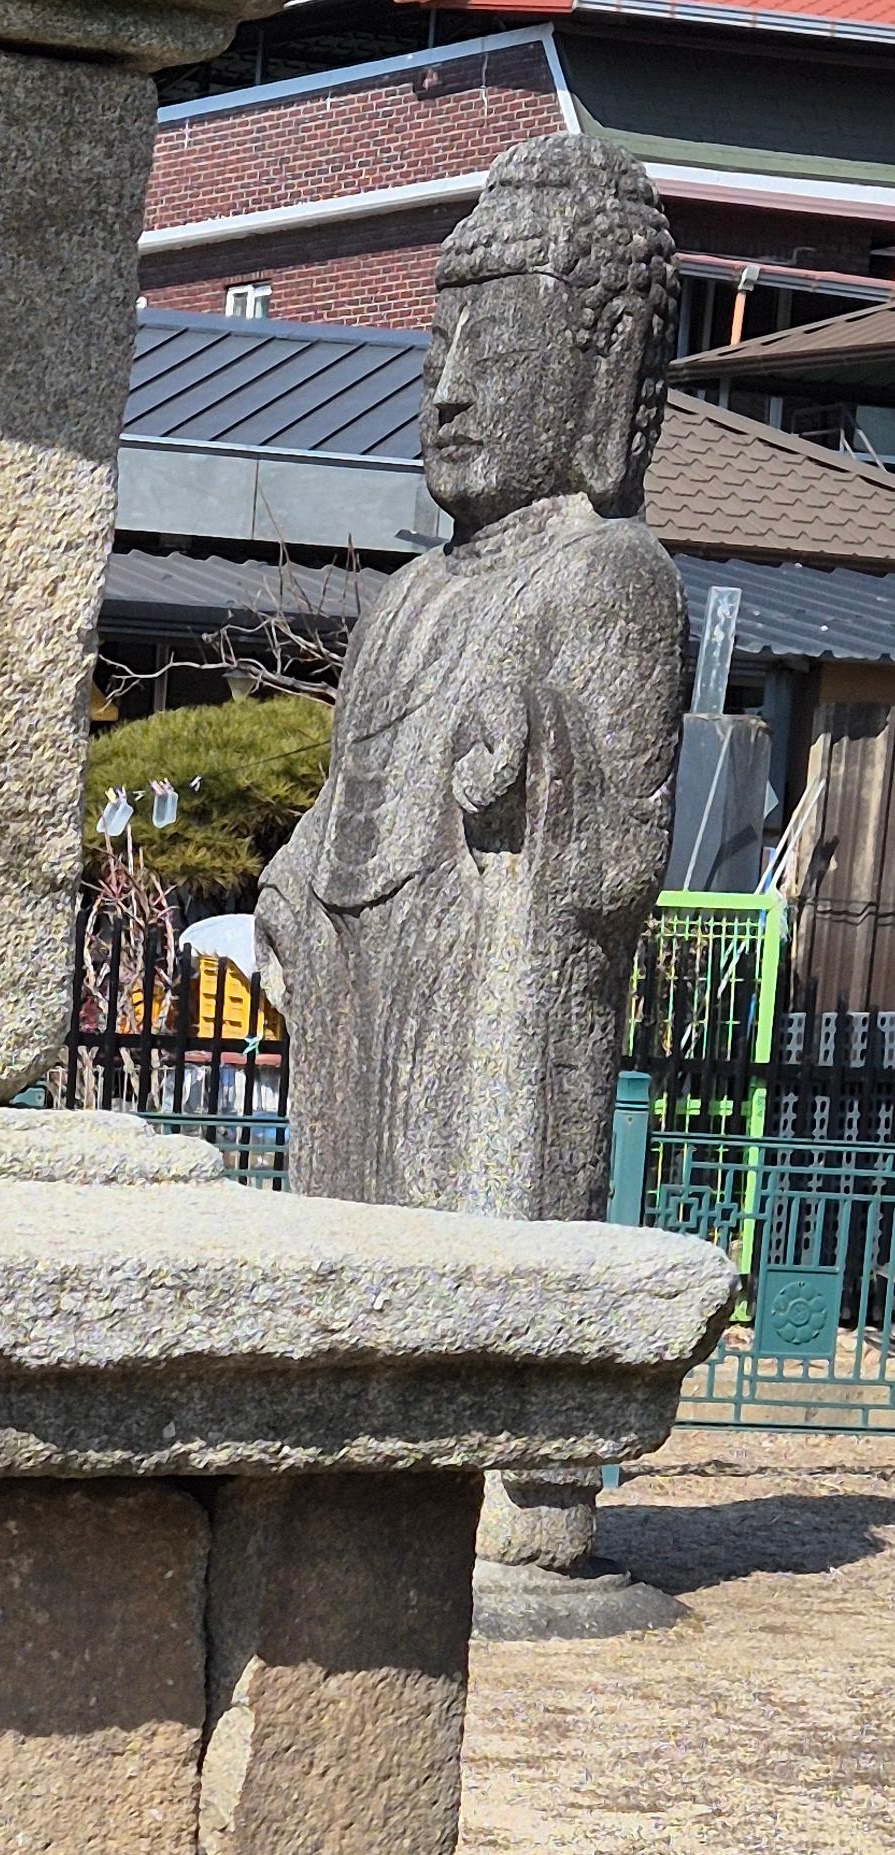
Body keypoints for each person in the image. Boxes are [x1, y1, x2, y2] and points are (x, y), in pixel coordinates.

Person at [256, 136, 686, 1229]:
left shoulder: (607, 575)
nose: (448, 395)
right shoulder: (407, 594)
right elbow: (350, 805)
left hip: (489, 1016)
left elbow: (618, 866)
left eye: (489, 355)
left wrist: (535, 746)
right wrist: (295, 875)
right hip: (361, 989)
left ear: (599, 371)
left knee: (466, 1241)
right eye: (436, 357)